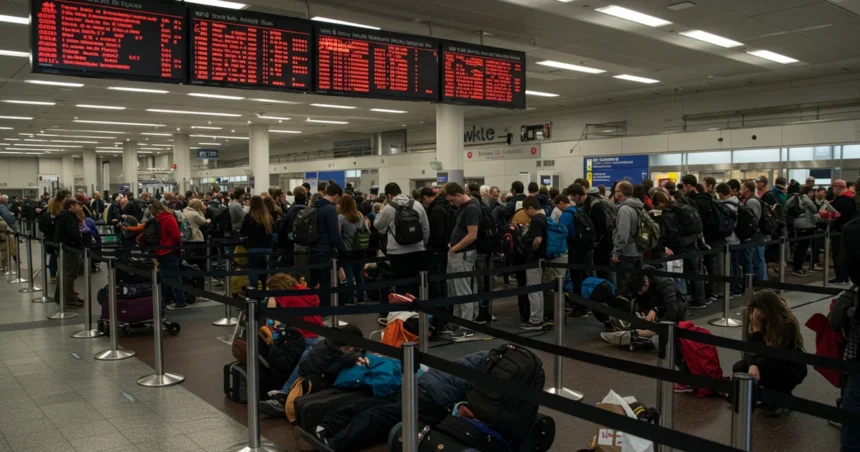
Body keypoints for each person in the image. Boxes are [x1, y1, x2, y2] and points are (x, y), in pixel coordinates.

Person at [314, 351, 488, 451]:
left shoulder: (483, 358)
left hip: (426, 390)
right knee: (372, 408)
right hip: (429, 392)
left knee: (373, 409)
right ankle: (331, 435)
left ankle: (330, 434)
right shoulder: (490, 367)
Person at [733, 291, 807, 417]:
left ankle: (776, 397)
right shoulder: (756, 320)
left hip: (789, 368)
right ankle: (750, 396)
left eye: (761, 309)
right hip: (765, 360)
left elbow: (772, 354)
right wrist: (752, 365)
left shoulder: (788, 324)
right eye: (756, 308)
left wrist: (757, 332)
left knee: (765, 363)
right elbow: (749, 349)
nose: (756, 312)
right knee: (740, 367)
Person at [600, 267, 687, 347]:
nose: (639, 293)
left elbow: (672, 311)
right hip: (660, 309)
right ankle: (635, 333)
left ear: (646, 281)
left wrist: (656, 319)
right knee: (637, 324)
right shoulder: (640, 279)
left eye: (641, 290)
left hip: (675, 313)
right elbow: (627, 294)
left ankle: (636, 335)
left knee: (661, 329)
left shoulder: (666, 285)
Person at [373, 183, 429, 301]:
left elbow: (378, 226)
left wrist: (381, 211)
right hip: (417, 249)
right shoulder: (417, 204)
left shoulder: (389, 208)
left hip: (396, 252)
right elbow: (426, 228)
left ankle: (403, 312)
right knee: (415, 283)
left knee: (401, 284)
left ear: (388, 195)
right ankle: (417, 312)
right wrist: (423, 244)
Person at [442, 182, 481, 338]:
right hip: (457, 253)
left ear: (458, 194)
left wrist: (455, 248)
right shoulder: (466, 207)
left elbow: (472, 235)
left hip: (462, 254)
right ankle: (458, 321)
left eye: (452, 200)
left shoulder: (471, 208)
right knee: (455, 289)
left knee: (463, 290)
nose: (452, 204)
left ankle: (466, 325)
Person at [309, 183, 347, 307]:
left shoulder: (315, 205)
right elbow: (334, 234)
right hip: (325, 251)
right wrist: (343, 251)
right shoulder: (330, 209)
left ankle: (312, 308)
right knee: (325, 283)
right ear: (336, 196)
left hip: (313, 248)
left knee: (314, 282)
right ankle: (324, 311)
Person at [573, 183, 616, 285]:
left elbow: (601, 227)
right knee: (605, 271)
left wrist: (595, 242)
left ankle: (609, 293)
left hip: (603, 245)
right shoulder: (598, 203)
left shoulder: (595, 205)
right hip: (605, 243)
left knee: (605, 272)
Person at [678, 175, 710, 307]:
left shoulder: (689, 201)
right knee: (698, 270)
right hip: (699, 239)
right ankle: (700, 296)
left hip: (691, 242)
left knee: (694, 271)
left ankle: (698, 298)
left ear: (687, 185)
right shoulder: (699, 200)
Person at [148, 201, 187, 310]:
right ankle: (181, 300)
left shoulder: (155, 220)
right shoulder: (169, 218)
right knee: (175, 276)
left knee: (164, 276)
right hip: (170, 250)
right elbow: (176, 236)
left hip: (159, 251)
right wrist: (179, 248)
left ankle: (167, 299)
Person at [520, 196, 549, 331]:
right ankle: (539, 318)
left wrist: (530, 251)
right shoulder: (544, 217)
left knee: (533, 290)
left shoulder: (536, 220)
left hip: (535, 259)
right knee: (538, 290)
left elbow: (537, 240)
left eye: (526, 211)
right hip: (542, 258)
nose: (526, 214)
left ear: (530, 208)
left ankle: (535, 321)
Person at [422, 186, 454, 304]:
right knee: (443, 280)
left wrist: (430, 245)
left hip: (437, 250)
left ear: (425, 197)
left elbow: (437, 232)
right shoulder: (446, 205)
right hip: (446, 248)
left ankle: (439, 312)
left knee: (437, 282)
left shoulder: (435, 209)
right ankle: (444, 311)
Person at [53, 198, 85, 309]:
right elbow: (73, 234)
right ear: (71, 206)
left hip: (65, 248)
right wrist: (80, 245)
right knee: (70, 274)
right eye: (77, 205)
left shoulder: (63, 216)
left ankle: (65, 296)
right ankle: (68, 298)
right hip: (70, 249)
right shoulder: (69, 217)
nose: (79, 208)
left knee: (65, 273)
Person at [612, 181, 644, 290]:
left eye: (616, 191)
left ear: (621, 193)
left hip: (626, 253)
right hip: (638, 249)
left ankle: (625, 306)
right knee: (635, 283)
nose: (614, 193)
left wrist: (617, 252)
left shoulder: (625, 209)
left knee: (624, 285)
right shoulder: (638, 206)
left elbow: (623, 233)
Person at [337, 194, 367, 305]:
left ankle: (350, 299)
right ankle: (361, 298)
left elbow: (338, 234)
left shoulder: (341, 218)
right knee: (358, 274)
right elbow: (366, 230)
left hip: (348, 250)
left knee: (349, 275)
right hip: (360, 249)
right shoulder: (360, 215)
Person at [240, 196, 274, 292]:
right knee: (266, 272)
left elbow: (243, 231)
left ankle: (254, 293)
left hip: (253, 247)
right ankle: (265, 292)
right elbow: (273, 231)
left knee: (253, 271)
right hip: (267, 247)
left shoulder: (249, 217)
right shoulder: (268, 217)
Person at [716, 183, 743, 297]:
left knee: (729, 265)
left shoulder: (725, 205)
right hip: (738, 237)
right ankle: (737, 287)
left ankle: (732, 288)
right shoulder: (737, 201)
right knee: (735, 264)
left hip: (729, 238)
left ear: (721, 193)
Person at [829, 179, 857, 284]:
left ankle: (840, 277)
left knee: (837, 254)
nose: (832, 190)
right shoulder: (852, 198)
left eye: (833, 188)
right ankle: (845, 276)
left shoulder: (842, 200)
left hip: (839, 230)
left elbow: (838, 215)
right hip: (849, 231)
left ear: (838, 187)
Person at [741, 180, 767, 282]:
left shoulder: (751, 201)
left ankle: (760, 280)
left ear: (747, 188)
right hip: (758, 234)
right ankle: (762, 279)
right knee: (759, 257)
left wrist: (749, 233)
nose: (741, 190)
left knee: (757, 259)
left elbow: (753, 219)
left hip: (755, 235)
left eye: (743, 187)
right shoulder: (754, 199)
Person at [791, 186, 820, 276]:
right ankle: (797, 268)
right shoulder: (805, 199)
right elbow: (815, 209)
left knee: (800, 246)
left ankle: (797, 267)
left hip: (798, 223)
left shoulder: (797, 198)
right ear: (810, 192)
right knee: (802, 247)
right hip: (805, 224)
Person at [279, 190, 307, 268]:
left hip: (289, 242)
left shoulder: (289, 211)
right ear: (305, 201)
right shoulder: (308, 212)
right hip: (304, 243)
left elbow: (283, 227)